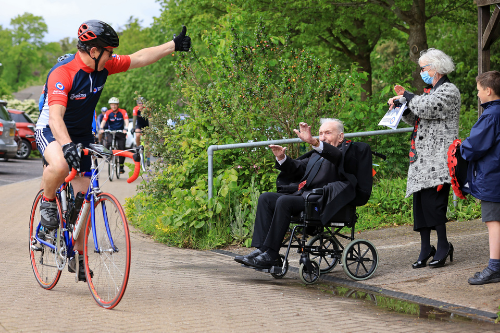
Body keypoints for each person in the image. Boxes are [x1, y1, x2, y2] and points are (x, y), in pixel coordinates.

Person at [34, 20, 191, 281]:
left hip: (82, 133)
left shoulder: (103, 65)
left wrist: (172, 46)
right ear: (94, 51)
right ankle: (48, 203)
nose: (112, 56)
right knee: (60, 166)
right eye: (108, 51)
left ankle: (78, 256)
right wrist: (66, 144)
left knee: (85, 199)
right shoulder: (64, 73)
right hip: (51, 130)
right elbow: (55, 118)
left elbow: (139, 57)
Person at [234, 119, 372, 269]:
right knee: (266, 198)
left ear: (340, 137)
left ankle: (271, 255)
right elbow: (300, 168)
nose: (323, 137)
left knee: (284, 202)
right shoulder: (316, 155)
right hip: (305, 197)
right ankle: (262, 249)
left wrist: (314, 141)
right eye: (320, 133)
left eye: (328, 133)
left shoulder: (346, 153)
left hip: (323, 201)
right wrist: (282, 158)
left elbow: (336, 157)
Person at [388, 48, 460, 269]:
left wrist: (408, 97)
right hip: (421, 159)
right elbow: (418, 117)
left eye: (424, 68)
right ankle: (425, 247)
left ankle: (443, 245)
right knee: (420, 206)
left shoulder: (449, 90)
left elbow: (428, 108)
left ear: (436, 68)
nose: (422, 72)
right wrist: (402, 107)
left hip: (439, 159)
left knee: (435, 204)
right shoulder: (430, 91)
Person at [460, 71, 500, 285]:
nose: (477, 95)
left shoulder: (490, 116)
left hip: (493, 176)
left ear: (488, 90)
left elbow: (474, 146)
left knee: (493, 221)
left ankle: (495, 267)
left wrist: (461, 147)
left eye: (478, 90)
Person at [99, 97, 128, 174]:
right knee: (108, 142)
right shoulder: (108, 112)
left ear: (118, 105)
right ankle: (108, 155)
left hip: (120, 132)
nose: (113, 106)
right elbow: (104, 121)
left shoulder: (122, 111)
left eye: (115, 105)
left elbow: (126, 120)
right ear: (110, 105)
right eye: (112, 105)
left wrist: (126, 128)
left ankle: (121, 166)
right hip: (111, 131)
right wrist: (101, 128)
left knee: (122, 149)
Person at [132, 97, 150, 166]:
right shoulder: (136, 109)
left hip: (146, 125)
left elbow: (150, 120)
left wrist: (150, 129)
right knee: (137, 134)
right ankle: (138, 147)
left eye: (142, 103)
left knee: (147, 142)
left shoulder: (147, 109)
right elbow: (134, 119)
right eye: (139, 103)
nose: (141, 104)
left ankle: (148, 158)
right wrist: (133, 128)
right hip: (139, 125)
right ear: (137, 103)